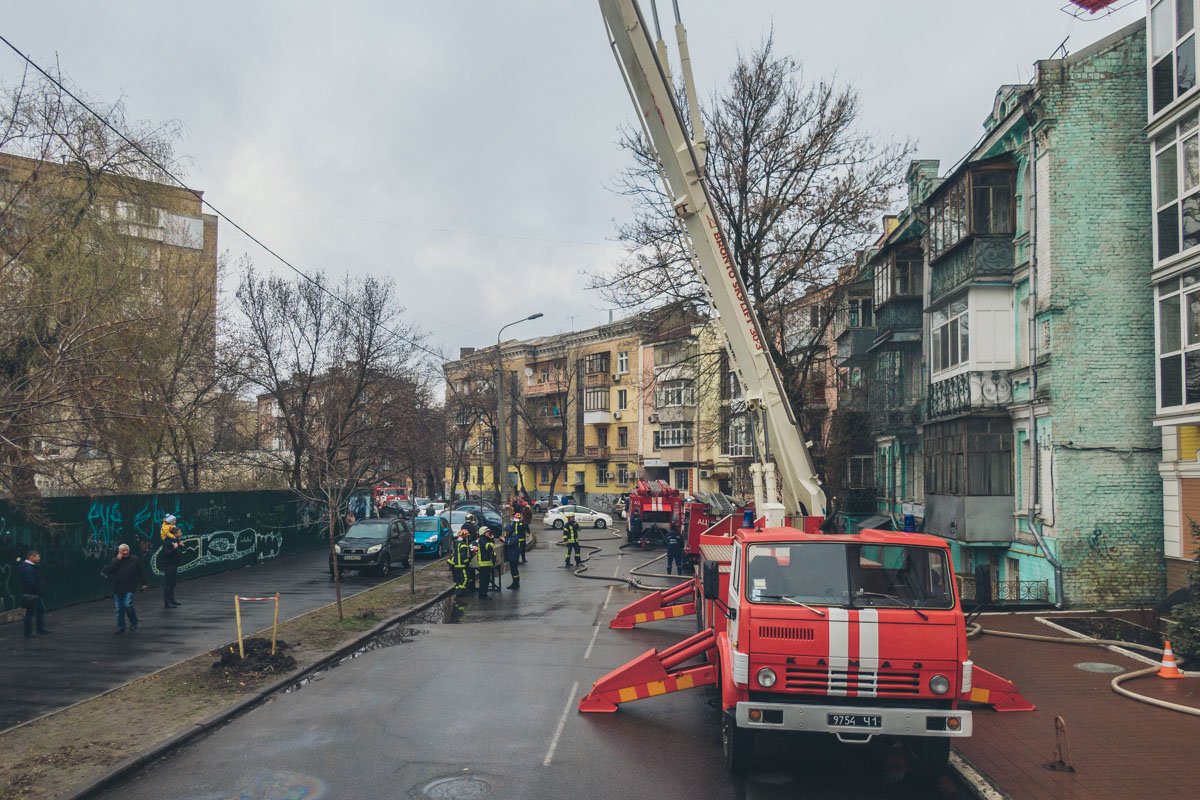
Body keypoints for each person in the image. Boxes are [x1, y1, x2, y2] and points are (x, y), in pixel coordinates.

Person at [104, 543, 148, 633]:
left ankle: (133, 622)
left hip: (130, 586)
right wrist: (118, 560)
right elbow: (110, 570)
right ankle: (121, 627)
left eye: (126, 550)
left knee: (127, 604)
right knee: (119, 608)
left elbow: (141, 571)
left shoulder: (134, 559)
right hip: (118, 587)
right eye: (123, 550)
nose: (125, 552)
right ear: (119, 551)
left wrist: (144, 583)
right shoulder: (115, 560)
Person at [19, 549, 49, 638]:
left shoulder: (29, 567)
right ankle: (28, 633)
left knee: (40, 610)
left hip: (34, 594)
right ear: (31, 557)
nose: (39, 558)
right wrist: (38, 590)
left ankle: (40, 629)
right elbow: (30, 583)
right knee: (30, 613)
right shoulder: (29, 568)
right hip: (32, 594)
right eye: (37, 556)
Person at [159, 514, 183, 608]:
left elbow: (178, 551)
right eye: (179, 532)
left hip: (173, 564)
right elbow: (167, 553)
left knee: (172, 583)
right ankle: (167, 602)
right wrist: (175, 548)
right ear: (175, 533)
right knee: (168, 584)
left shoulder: (175, 540)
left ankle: (172, 600)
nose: (181, 534)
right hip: (168, 565)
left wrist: (180, 545)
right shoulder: (168, 541)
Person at [448, 529, 471, 597]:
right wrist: (468, 563)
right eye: (467, 536)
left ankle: (458, 591)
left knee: (457, 580)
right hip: (461, 565)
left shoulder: (456, 543)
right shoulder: (463, 545)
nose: (468, 537)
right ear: (464, 536)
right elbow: (464, 557)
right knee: (465, 579)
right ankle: (460, 592)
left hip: (455, 565)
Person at [475, 527, 496, 599]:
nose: (488, 533)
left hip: (487, 563)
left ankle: (484, 594)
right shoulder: (482, 540)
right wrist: (492, 539)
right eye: (487, 532)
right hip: (484, 564)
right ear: (482, 533)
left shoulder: (485, 539)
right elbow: (489, 547)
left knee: (486, 580)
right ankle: (482, 595)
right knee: (484, 580)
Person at [503, 522, 522, 589]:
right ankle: (515, 583)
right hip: (512, 555)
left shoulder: (514, 535)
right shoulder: (509, 536)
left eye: (507, 531)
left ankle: (516, 584)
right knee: (513, 570)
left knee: (514, 570)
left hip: (514, 555)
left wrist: (504, 540)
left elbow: (512, 542)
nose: (506, 532)